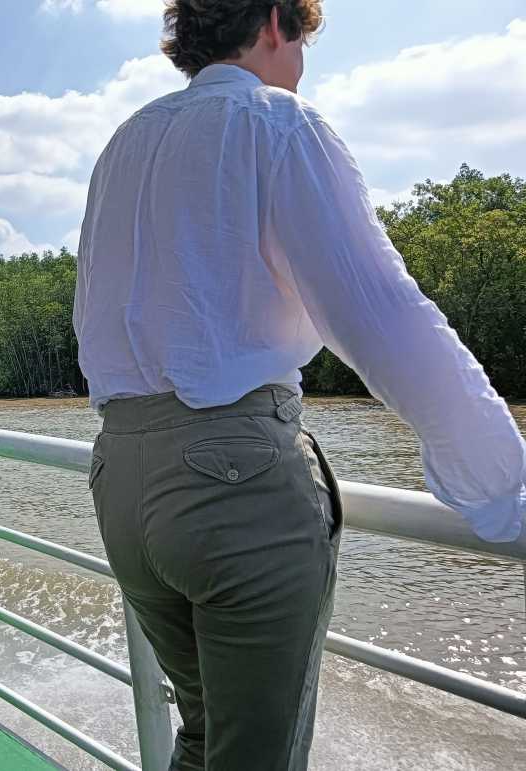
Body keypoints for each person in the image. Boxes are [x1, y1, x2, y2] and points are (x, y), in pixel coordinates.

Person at [73, 2, 526, 769]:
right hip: (232, 485)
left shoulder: (125, 142)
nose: (303, 61)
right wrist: (506, 488)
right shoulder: (278, 124)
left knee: (204, 732)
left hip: (120, 478)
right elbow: (383, 316)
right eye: (304, 40)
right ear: (276, 22)